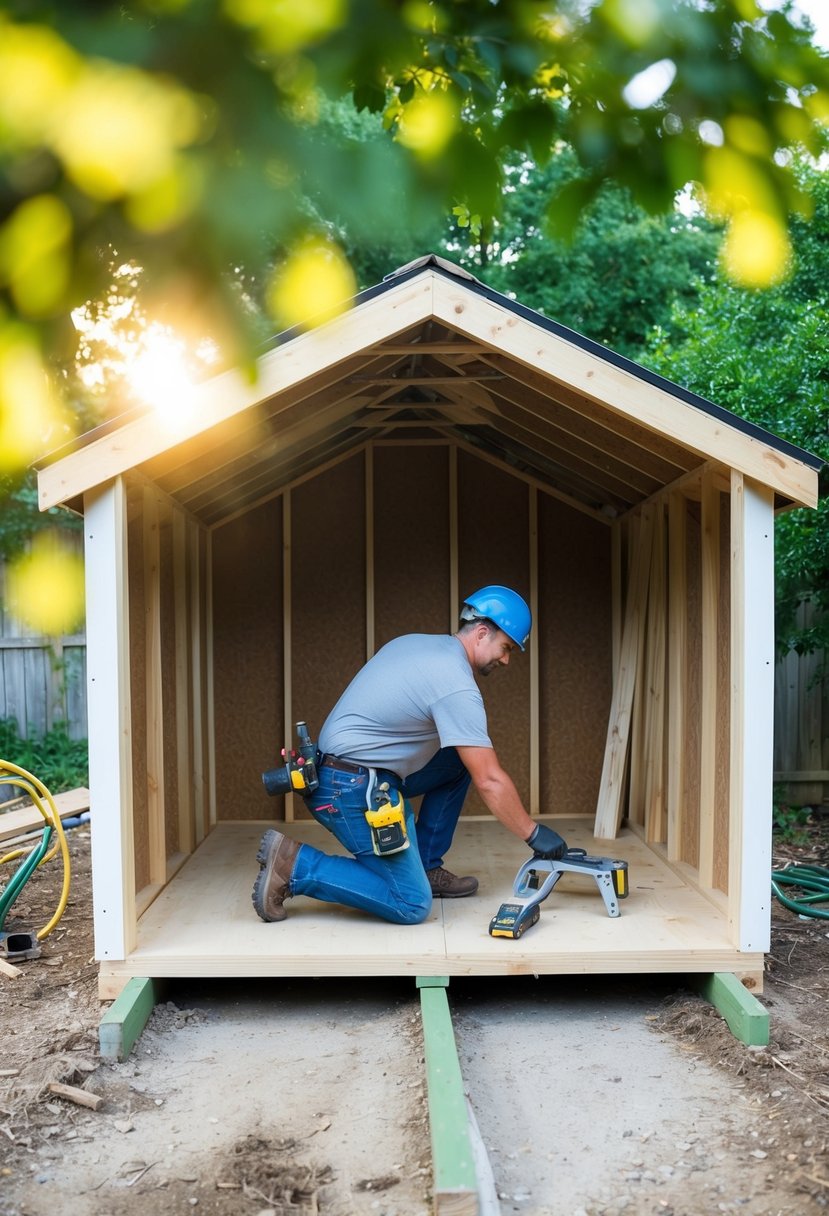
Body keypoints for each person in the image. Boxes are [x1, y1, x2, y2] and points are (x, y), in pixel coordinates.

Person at [252, 585, 567, 925]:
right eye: (506, 648)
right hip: (348, 787)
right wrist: (533, 834)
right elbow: (490, 780)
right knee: (411, 903)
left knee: (458, 761)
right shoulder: (455, 683)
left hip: (344, 771)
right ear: (481, 633)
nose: (505, 659)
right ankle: (295, 865)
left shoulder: (416, 643)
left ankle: (426, 866)